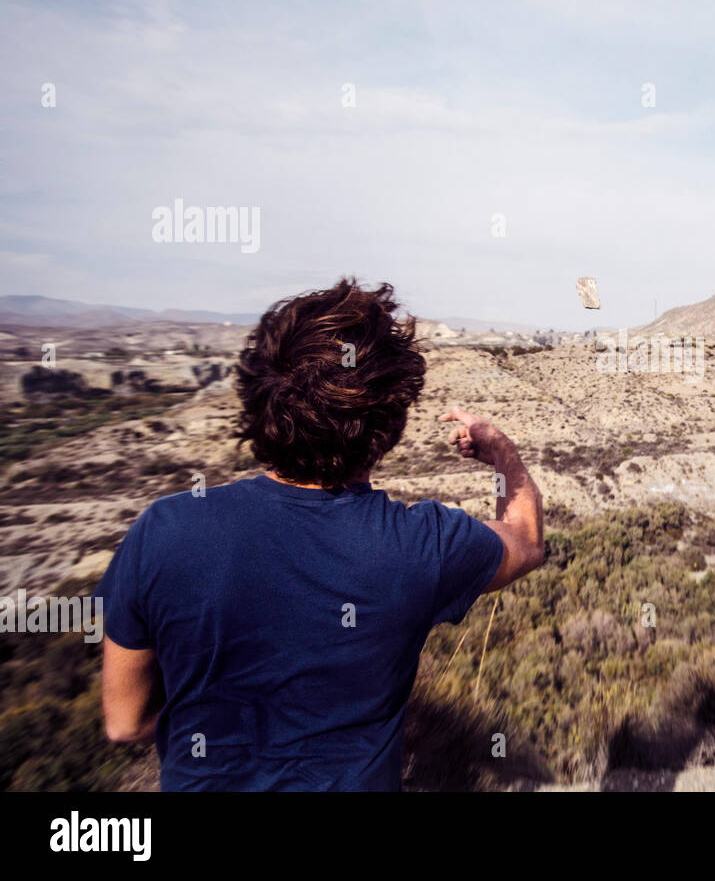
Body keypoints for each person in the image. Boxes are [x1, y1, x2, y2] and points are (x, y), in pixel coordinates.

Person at [96, 277, 544, 790]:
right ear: (389, 425)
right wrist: (501, 452)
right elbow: (526, 540)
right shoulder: (421, 546)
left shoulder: (164, 530)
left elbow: (124, 722)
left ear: (256, 398)